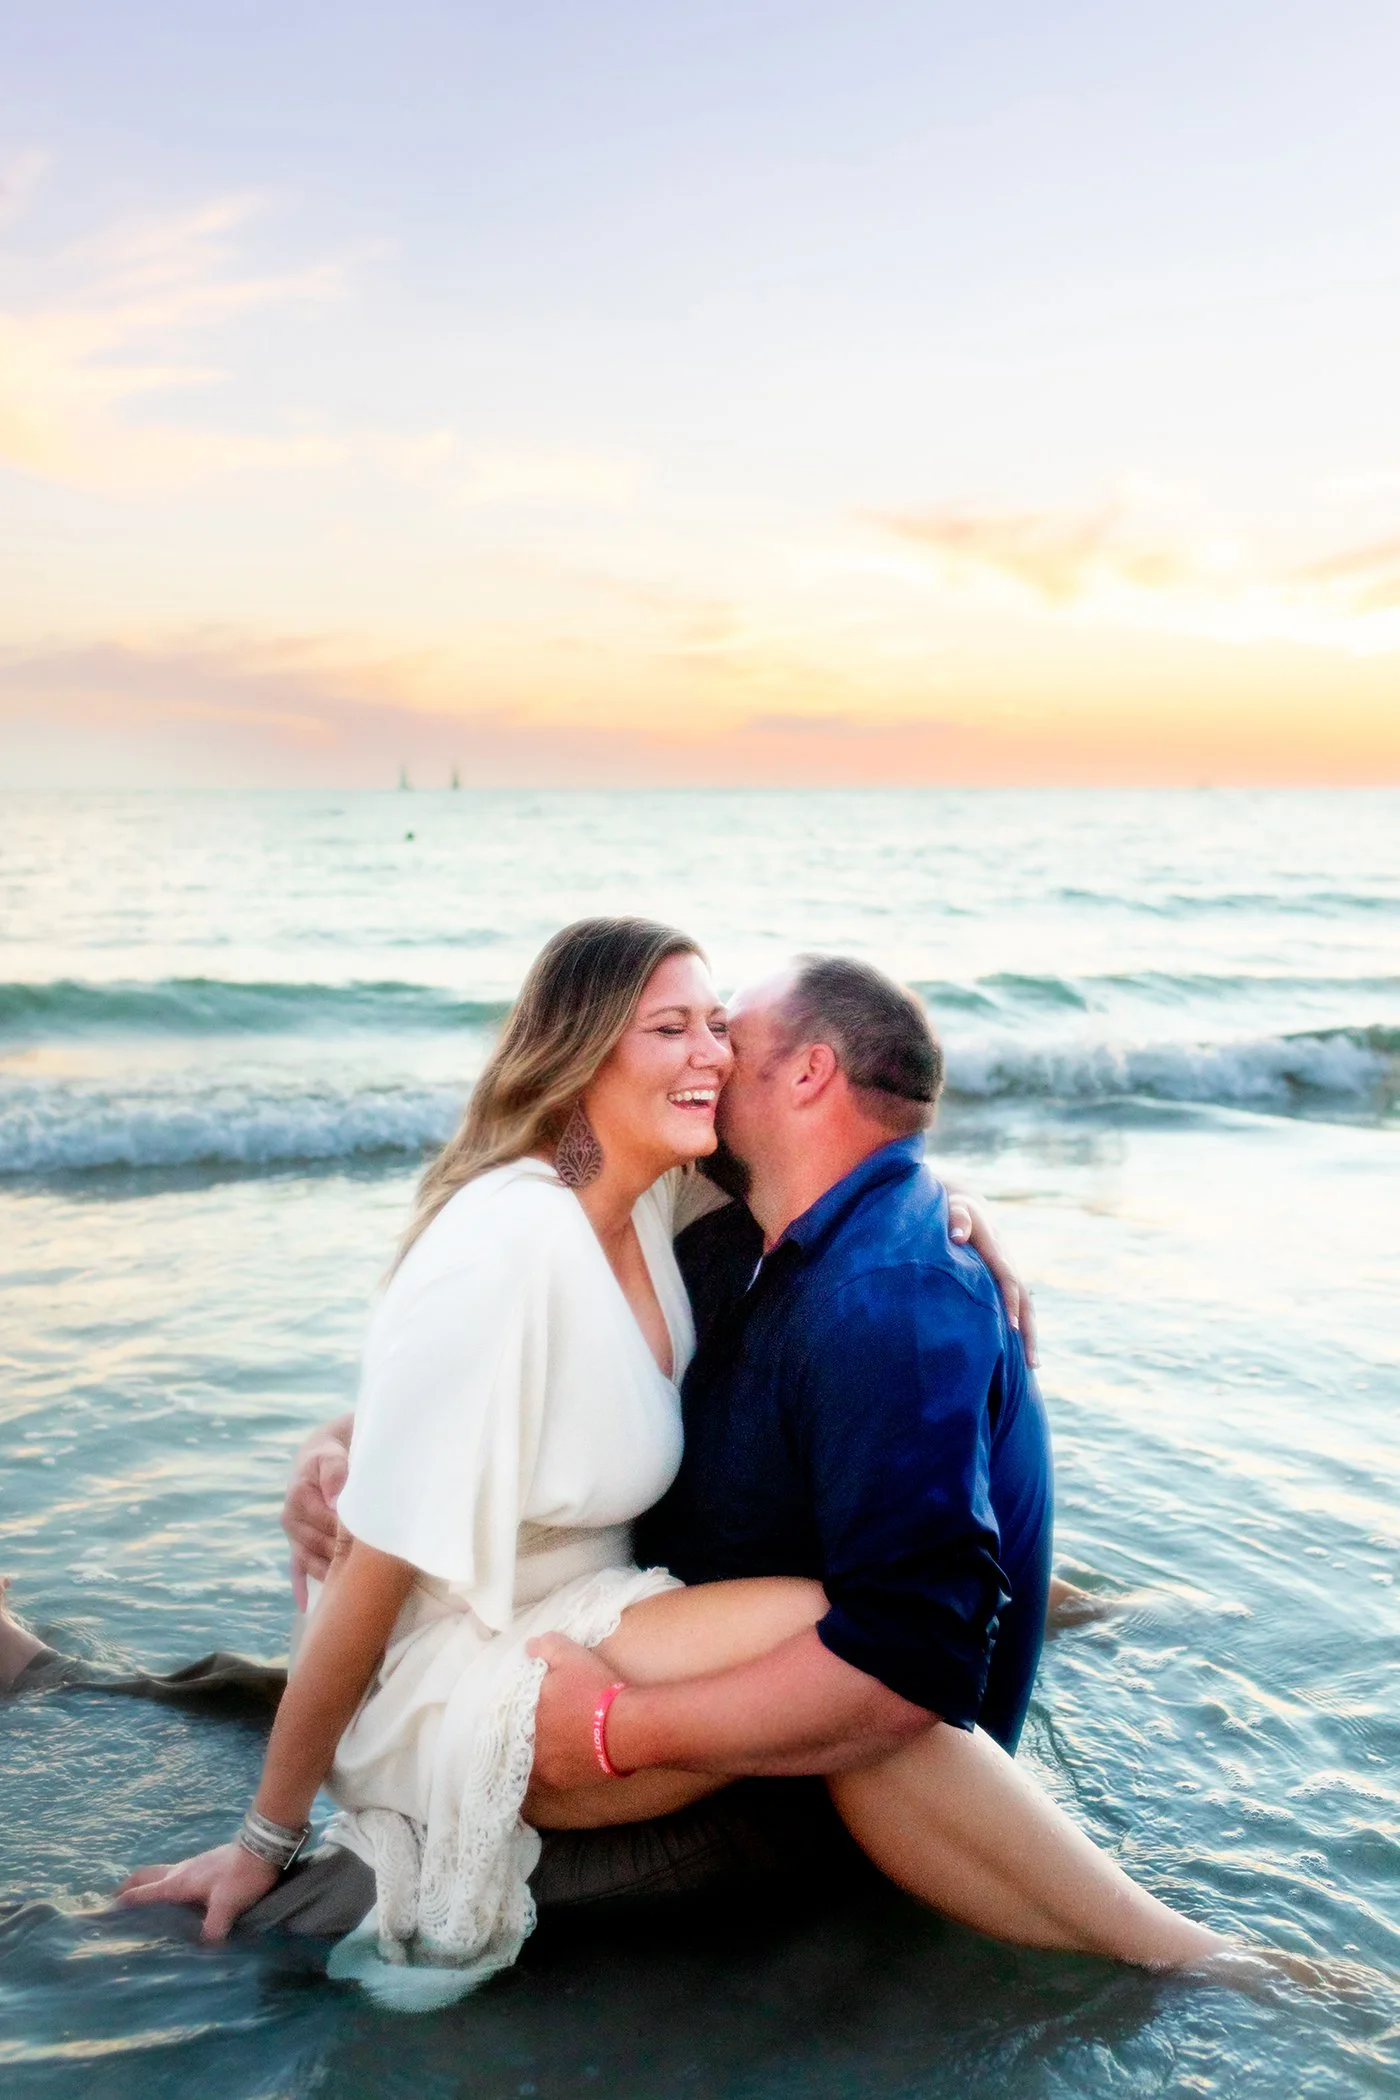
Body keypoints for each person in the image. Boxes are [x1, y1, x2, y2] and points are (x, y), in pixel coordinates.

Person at [3, 920, 1232, 2005]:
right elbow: (380, 1556)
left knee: (847, 1667)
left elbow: (843, 1157)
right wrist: (263, 1839)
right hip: (487, 1649)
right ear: (589, 1053)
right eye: (675, 1029)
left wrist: (933, 1197)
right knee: (821, 1653)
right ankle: (1178, 1961)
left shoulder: (669, 1207)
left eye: (719, 1028)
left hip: (598, 1616)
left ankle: (1163, 1955)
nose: (709, 1053)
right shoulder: (521, 1239)